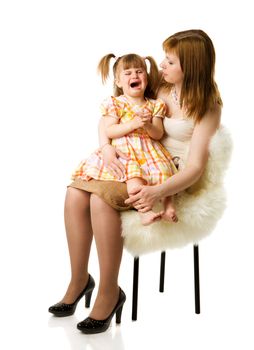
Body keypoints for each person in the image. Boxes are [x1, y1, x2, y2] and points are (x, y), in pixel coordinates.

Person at [48, 29, 222, 335]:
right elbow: (117, 104)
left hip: (172, 176)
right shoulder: (164, 87)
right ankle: (78, 280)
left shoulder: (208, 107)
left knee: (99, 200)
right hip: (136, 162)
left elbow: (195, 168)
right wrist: (104, 143)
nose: (160, 65)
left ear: (190, 67)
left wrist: (156, 190)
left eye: (169, 60)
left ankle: (109, 292)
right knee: (75, 192)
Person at [71, 53, 178, 226]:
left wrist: (147, 125)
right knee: (133, 176)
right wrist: (134, 123)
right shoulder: (116, 103)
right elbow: (110, 130)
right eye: (127, 73)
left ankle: (169, 206)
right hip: (126, 152)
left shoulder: (155, 104)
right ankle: (144, 211)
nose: (134, 76)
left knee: (164, 170)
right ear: (118, 82)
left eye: (139, 71)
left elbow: (158, 134)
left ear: (147, 78)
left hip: (149, 150)